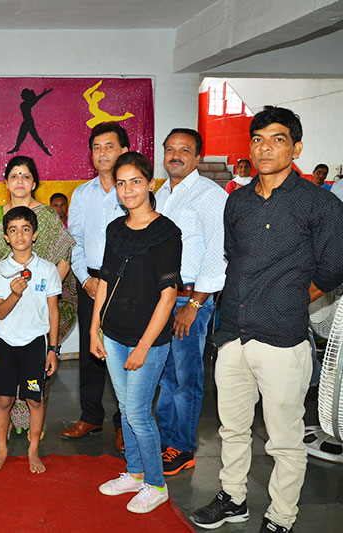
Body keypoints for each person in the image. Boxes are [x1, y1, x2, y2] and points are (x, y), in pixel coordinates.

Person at [190, 106, 343, 533]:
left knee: (284, 440)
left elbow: (334, 266)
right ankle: (233, 498)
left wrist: (292, 298)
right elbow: (233, 256)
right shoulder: (237, 202)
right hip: (233, 336)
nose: (265, 148)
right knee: (232, 429)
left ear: (296, 148)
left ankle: (280, 517)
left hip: (282, 337)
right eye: (257, 139)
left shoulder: (320, 203)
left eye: (277, 139)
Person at [90, 151, 182, 514]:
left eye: (136, 182)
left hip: (149, 340)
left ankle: (156, 485)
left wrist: (144, 346)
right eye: (121, 183)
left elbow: (168, 295)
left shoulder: (166, 233)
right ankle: (135, 472)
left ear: (150, 184)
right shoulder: (115, 229)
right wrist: (95, 330)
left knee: (140, 413)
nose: (128, 190)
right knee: (127, 408)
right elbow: (104, 282)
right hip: (113, 334)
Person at [0, 156, 76, 440]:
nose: (20, 181)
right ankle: (5, 430)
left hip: (37, 306)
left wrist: (45, 290)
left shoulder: (46, 216)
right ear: (6, 182)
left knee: (34, 378)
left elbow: (65, 255)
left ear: (34, 182)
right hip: (3, 304)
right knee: (4, 381)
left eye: (26, 176)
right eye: (14, 175)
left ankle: (30, 428)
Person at [154, 128, 227, 476]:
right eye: (170, 149)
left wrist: (194, 305)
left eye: (184, 150)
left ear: (198, 157)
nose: (176, 155)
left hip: (189, 300)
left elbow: (218, 252)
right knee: (166, 377)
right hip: (163, 300)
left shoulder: (210, 195)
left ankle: (183, 448)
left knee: (187, 378)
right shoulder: (161, 193)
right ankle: (167, 440)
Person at [63, 122, 127, 450]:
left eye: (109, 146)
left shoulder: (133, 190)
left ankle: (125, 422)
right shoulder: (81, 194)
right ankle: (90, 416)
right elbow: (73, 240)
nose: (102, 153)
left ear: (124, 151)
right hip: (90, 281)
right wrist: (85, 279)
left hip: (126, 285)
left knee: (122, 351)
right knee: (91, 352)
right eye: (97, 147)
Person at [0, 207, 61, 474]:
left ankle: (33, 451)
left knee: (35, 401)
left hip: (34, 344)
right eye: (13, 230)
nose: (20, 235)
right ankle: (2, 450)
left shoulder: (48, 269)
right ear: (6, 237)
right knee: (4, 400)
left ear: (35, 234)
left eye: (25, 229)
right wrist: (14, 294)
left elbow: (53, 311)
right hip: (5, 343)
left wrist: (53, 349)